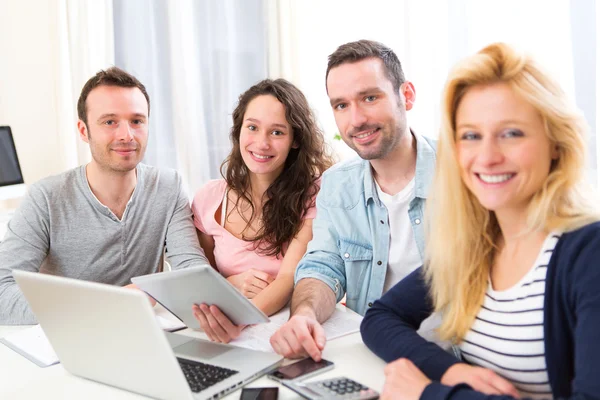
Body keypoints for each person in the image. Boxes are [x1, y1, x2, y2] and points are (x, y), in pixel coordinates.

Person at [361, 42, 600, 400]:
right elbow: (380, 318)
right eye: (471, 135)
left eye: (511, 133)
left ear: (556, 142)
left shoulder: (588, 252)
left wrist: (430, 394)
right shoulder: (476, 242)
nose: (487, 157)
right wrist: (453, 371)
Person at [270, 39, 439, 360]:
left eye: (370, 98)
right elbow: (323, 265)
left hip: (452, 357)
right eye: (341, 105)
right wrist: (304, 314)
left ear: (407, 95)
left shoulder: (463, 171)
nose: (356, 119)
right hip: (372, 354)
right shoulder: (336, 183)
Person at [0, 67, 208, 325]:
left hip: (142, 333)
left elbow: (193, 273)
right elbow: (3, 293)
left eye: (137, 121)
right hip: (71, 339)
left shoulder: (168, 186)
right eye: (110, 122)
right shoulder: (46, 197)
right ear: (84, 131)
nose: (126, 135)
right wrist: (114, 301)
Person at [190, 79, 333, 343]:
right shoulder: (209, 198)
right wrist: (233, 283)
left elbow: (288, 278)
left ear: (295, 140)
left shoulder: (314, 194)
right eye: (252, 127)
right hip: (224, 327)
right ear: (239, 131)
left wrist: (240, 321)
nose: (261, 143)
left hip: (282, 326)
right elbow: (203, 276)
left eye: (277, 132)